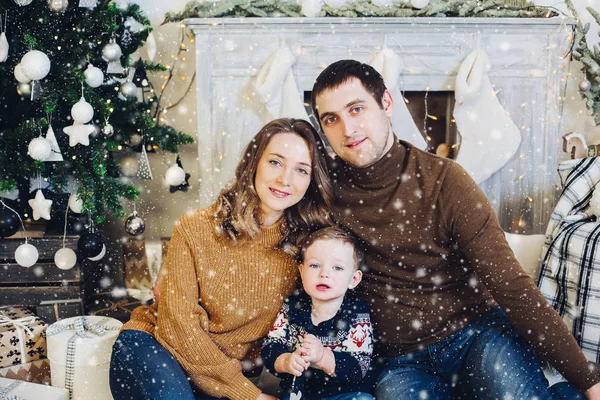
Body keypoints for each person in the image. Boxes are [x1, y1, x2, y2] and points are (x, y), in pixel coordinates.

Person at [310, 59, 600, 399]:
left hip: (477, 333)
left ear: (386, 104)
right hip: (399, 361)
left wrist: (588, 379)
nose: (348, 129)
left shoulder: (446, 180)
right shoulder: (322, 190)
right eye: (332, 119)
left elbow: (511, 286)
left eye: (356, 109)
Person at [109, 118, 333, 400]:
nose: (285, 180)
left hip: (213, 378)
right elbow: (178, 327)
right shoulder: (196, 228)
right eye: (275, 162)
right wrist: (250, 396)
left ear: (312, 181)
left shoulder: (308, 250)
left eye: (301, 170)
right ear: (254, 164)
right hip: (153, 346)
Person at [262, 226, 374, 400]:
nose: (324, 274)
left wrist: (323, 357)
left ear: (353, 279)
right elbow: (271, 346)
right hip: (297, 394)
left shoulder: (356, 312)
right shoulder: (293, 305)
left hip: (342, 394)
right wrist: (285, 361)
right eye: (315, 265)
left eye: (337, 268)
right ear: (302, 271)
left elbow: (359, 367)